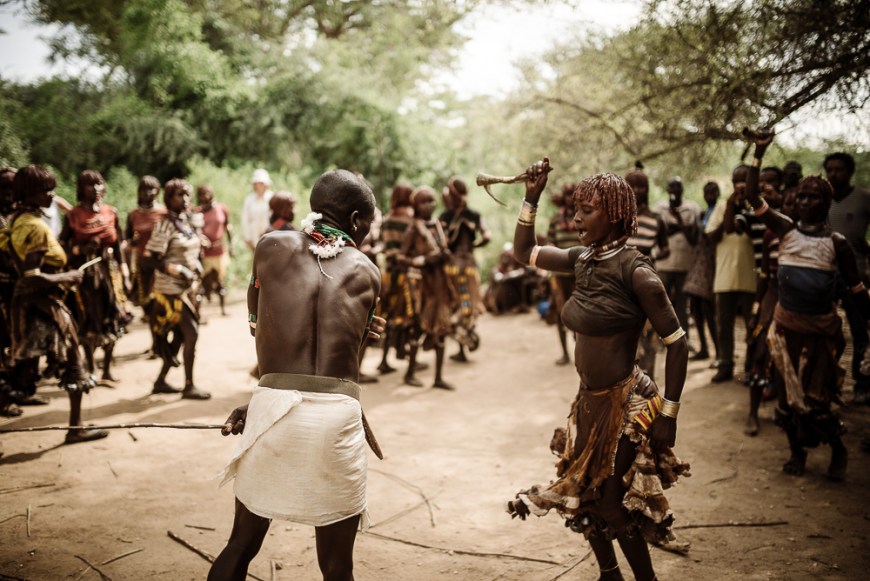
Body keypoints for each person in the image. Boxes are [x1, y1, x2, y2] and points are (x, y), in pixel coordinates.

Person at [507, 159, 689, 581]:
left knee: (611, 503)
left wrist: (669, 414)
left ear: (615, 214)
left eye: (586, 209)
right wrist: (531, 197)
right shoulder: (582, 260)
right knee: (585, 495)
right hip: (589, 403)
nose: (576, 217)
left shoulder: (637, 272)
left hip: (630, 404)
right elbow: (523, 251)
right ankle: (610, 574)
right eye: (576, 208)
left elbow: (678, 345)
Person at [210, 169, 383, 581]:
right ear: (357, 220)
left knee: (240, 545)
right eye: (369, 226)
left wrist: (261, 399)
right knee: (338, 566)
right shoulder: (369, 272)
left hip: (273, 407)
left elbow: (262, 329)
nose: (369, 235)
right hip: (338, 416)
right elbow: (343, 364)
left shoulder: (270, 247)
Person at [745, 131, 868, 480]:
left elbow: (856, 291)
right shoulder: (785, 230)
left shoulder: (837, 243)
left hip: (820, 334)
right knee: (786, 400)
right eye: (802, 197)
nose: (805, 202)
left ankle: (838, 450)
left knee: (817, 401)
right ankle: (796, 453)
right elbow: (752, 196)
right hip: (786, 331)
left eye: (814, 197)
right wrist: (759, 152)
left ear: (825, 203)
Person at [0, 165, 108, 443]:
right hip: (41, 307)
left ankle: (76, 425)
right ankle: (75, 428)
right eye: (45, 191)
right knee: (67, 363)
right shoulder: (32, 227)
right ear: (29, 194)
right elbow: (31, 277)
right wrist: (68, 275)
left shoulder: (18, 220)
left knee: (28, 371)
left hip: (35, 304)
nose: (51, 195)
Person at [143, 179, 210, 400]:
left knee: (181, 337)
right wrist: (177, 269)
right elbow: (151, 259)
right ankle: (189, 385)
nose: (185, 199)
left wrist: (195, 264)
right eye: (179, 195)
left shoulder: (186, 222)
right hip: (170, 292)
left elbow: (190, 248)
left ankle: (160, 381)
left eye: (187, 194)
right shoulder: (165, 224)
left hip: (188, 289)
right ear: (168, 198)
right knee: (192, 333)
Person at [59, 170, 128, 381]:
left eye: (99, 184)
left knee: (112, 317)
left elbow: (118, 246)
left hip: (110, 275)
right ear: (81, 189)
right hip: (85, 278)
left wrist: (125, 272)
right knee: (88, 319)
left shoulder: (111, 212)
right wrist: (81, 250)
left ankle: (107, 368)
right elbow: (62, 246)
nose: (96, 189)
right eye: (90, 185)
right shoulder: (73, 215)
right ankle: (91, 368)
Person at [824, 152, 870, 404]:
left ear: (850, 172)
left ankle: (862, 383)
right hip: (827, 276)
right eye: (829, 169)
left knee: (860, 329)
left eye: (839, 169)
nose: (834, 174)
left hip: (856, 276)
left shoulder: (863, 198)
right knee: (826, 331)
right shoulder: (822, 200)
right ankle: (828, 384)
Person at [706, 165, 758, 383]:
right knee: (724, 324)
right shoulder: (721, 206)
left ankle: (751, 367)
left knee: (752, 325)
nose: (740, 184)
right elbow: (713, 236)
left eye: (744, 179)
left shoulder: (757, 205)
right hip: (725, 276)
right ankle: (725, 364)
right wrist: (729, 206)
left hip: (752, 277)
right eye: (737, 180)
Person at [401, 186, 455, 389]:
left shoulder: (437, 225)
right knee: (418, 328)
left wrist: (444, 255)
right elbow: (400, 257)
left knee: (441, 328)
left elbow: (442, 250)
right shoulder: (413, 227)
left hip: (440, 283)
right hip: (422, 286)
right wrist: (424, 260)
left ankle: (438, 377)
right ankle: (409, 373)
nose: (430, 205)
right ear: (416, 205)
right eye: (425, 202)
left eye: (432, 200)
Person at [626, 166, 670, 379]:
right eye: (632, 186)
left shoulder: (656, 219)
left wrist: (646, 261)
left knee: (649, 334)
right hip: (621, 284)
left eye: (641, 186)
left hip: (646, 283)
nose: (637, 190)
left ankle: (648, 384)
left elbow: (665, 250)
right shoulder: (617, 220)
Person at [439, 177, 490, 362]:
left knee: (456, 304)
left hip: (452, 266)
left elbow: (442, 244)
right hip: (469, 265)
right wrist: (474, 245)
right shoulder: (473, 215)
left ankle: (462, 345)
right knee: (469, 304)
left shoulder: (445, 217)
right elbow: (487, 236)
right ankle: (466, 339)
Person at [652, 176, 700, 347]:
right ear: (667, 190)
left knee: (682, 306)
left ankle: (683, 340)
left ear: (682, 190)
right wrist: (680, 227)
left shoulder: (692, 208)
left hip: (685, 266)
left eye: (677, 188)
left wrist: (677, 223)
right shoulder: (659, 208)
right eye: (671, 188)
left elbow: (694, 237)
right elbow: (659, 232)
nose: (674, 191)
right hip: (664, 265)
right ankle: (660, 339)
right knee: (661, 304)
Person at [376, 183, 417, 375]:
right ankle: (407, 359)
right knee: (406, 317)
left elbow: (383, 246)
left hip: (388, 273)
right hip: (405, 275)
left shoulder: (387, 220)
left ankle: (384, 360)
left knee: (388, 316)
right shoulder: (411, 220)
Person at [683, 182, 720, 362]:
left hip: (711, 263)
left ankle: (719, 352)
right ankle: (705, 348)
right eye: (706, 192)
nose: (710, 195)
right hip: (698, 263)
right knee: (696, 307)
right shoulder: (704, 214)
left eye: (713, 192)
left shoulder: (719, 212)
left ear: (718, 193)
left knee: (708, 308)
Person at [546, 184, 583, 365]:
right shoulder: (555, 219)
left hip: (579, 274)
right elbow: (550, 241)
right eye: (567, 195)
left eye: (572, 195)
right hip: (559, 275)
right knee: (560, 312)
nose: (570, 198)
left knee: (579, 312)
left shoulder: (582, 217)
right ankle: (565, 353)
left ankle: (580, 351)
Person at [195, 184, 234, 316]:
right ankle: (198, 314)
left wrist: (232, 245)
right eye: (203, 193)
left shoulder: (221, 209)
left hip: (219, 251)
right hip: (204, 254)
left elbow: (228, 227)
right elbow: (193, 231)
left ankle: (223, 310)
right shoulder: (197, 212)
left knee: (220, 281)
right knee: (202, 283)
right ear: (199, 196)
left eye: (208, 192)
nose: (206, 195)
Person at [241, 168, 274, 252]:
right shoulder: (249, 199)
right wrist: (248, 237)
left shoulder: (272, 197)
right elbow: (245, 219)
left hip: (270, 236)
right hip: (254, 237)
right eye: (257, 183)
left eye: (261, 183)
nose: (259, 186)